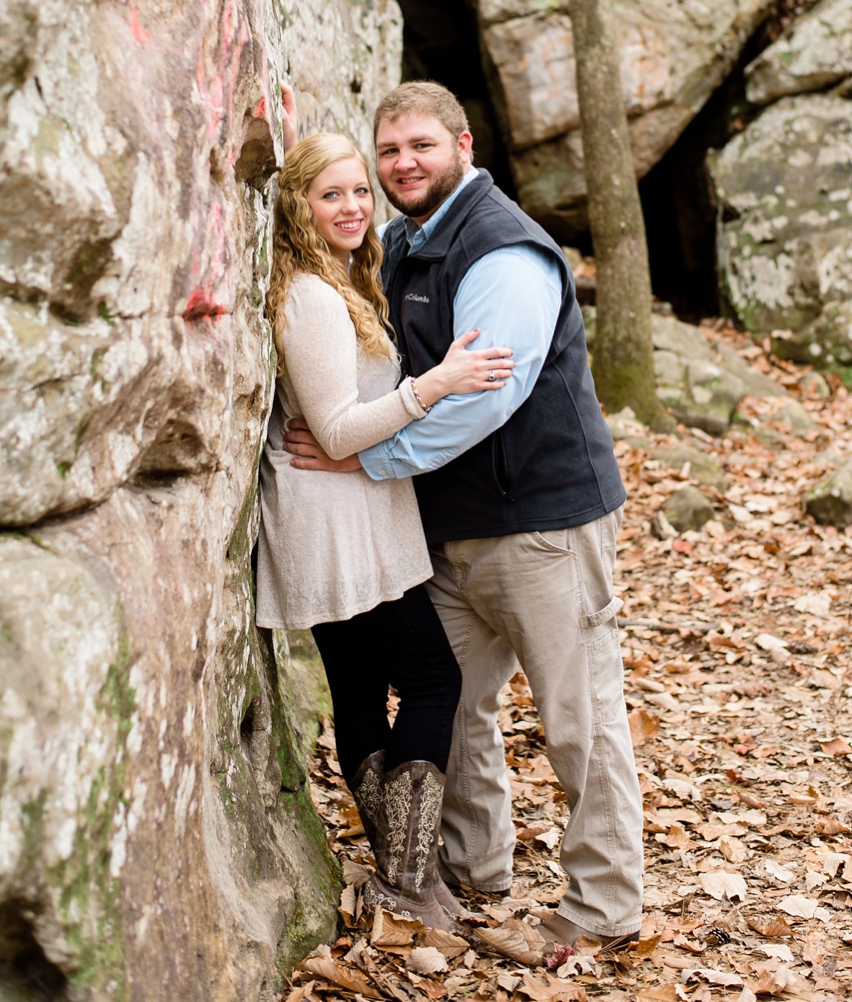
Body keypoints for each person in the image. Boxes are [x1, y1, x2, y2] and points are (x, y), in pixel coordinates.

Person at [286, 82, 642, 954]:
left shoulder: (503, 252)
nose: (403, 163)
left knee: (578, 719)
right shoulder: (402, 244)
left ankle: (601, 908)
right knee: (460, 707)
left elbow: (484, 400)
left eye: (422, 146)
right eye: (391, 149)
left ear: (464, 144)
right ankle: (472, 867)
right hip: (443, 529)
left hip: (541, 526)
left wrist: (363, 458)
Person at [259, 132, 511, 931]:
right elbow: (334, 430)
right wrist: (432, 387)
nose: (354, 206)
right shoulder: (309, 295)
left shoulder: (336, 281)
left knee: (362, 692)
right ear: (298, 205)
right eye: (330, 194)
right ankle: (406, 875)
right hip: (336, 526)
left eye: (359, 192)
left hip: (349, 516)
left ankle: (405, 873)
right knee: (435, 681)